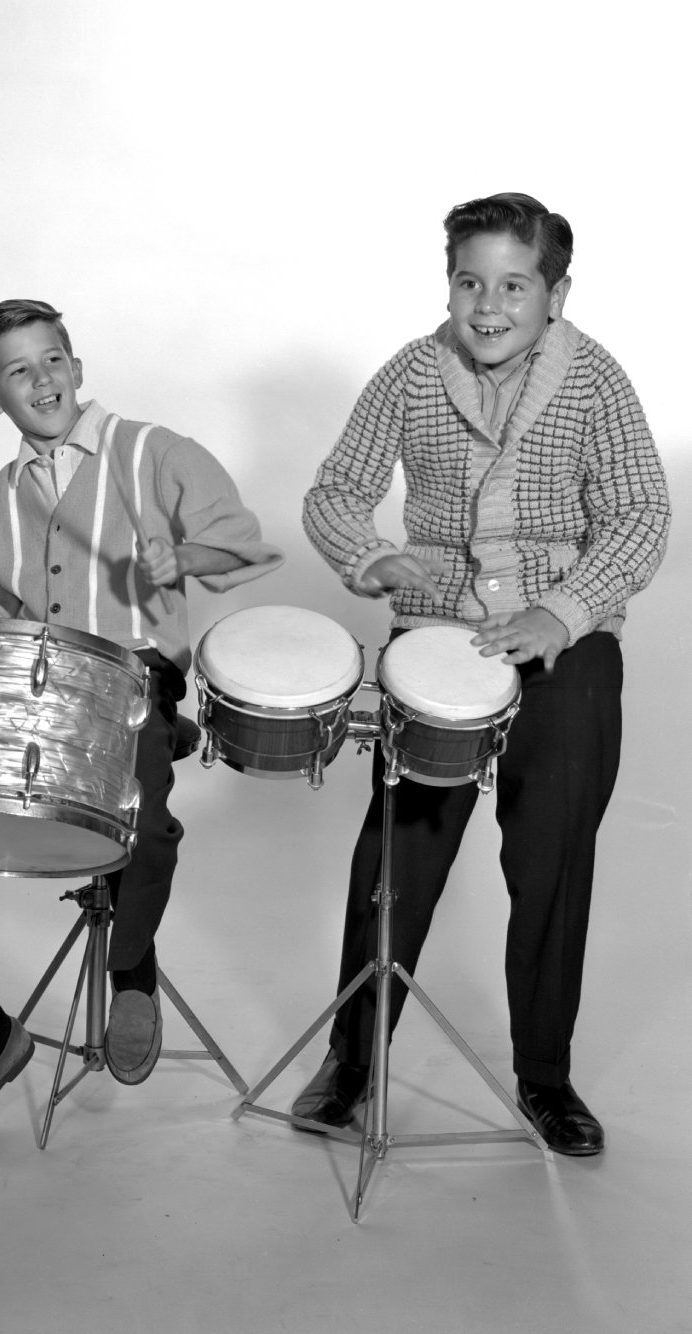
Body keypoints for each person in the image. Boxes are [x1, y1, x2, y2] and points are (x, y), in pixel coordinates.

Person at [297, 193, 670, 1156]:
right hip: (437, 639)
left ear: (555, 292)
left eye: (513, 284)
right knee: (395, 860)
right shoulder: (411, 373)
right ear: (449, 285)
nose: (488, 305)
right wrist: (365, 554)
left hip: (563, 644)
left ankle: (545, 1076)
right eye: (470, 282)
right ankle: (350, 1058)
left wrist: (561, 611)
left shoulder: (595, 382)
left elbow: (638, 513)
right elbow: (336, 489)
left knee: (550, 864)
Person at [0, 298, 283, 1140]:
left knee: (142, 822)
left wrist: (182, 555)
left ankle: (132, 974)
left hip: (134, 683)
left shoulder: (152, 450)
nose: (41, 380)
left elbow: (242, 545)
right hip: (34, 692)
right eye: (17, 369)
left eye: (52, 361)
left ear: (76, 366)